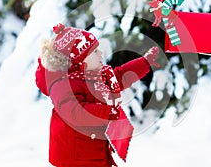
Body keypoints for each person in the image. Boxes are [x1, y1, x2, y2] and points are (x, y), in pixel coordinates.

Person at [35, 23, 160, 167]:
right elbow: (75, 112)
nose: (100, 53)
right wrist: (106, 113)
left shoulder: (96, 76)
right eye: (94, 52)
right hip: (74, 157)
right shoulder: (63, 85)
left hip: (92, 150)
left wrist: (144, 63)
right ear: (79, 60)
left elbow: (119, 77)